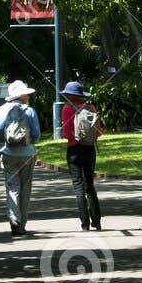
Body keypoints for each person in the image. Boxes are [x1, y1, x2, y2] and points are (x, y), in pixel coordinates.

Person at [0, 80, 41, 236]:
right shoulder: (30, 111)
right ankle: (22, 225)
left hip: (8, 154)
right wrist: (29, 142)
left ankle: (14, 219)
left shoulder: (3, 110)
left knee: (12, 188)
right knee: (25, 189)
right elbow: (36, 135)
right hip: (28, 154)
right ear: (21, 95)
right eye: (27, 94)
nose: (29, 96)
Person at [60, 80, 103, 232]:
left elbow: (65, 134)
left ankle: (84, 224)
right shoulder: (91, 107)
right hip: (90, 149)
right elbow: (99, 132)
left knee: (79, 188)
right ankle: (97, 222)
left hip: (74, 150)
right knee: (90, 186)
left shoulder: (67, 109)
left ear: (69, 96)